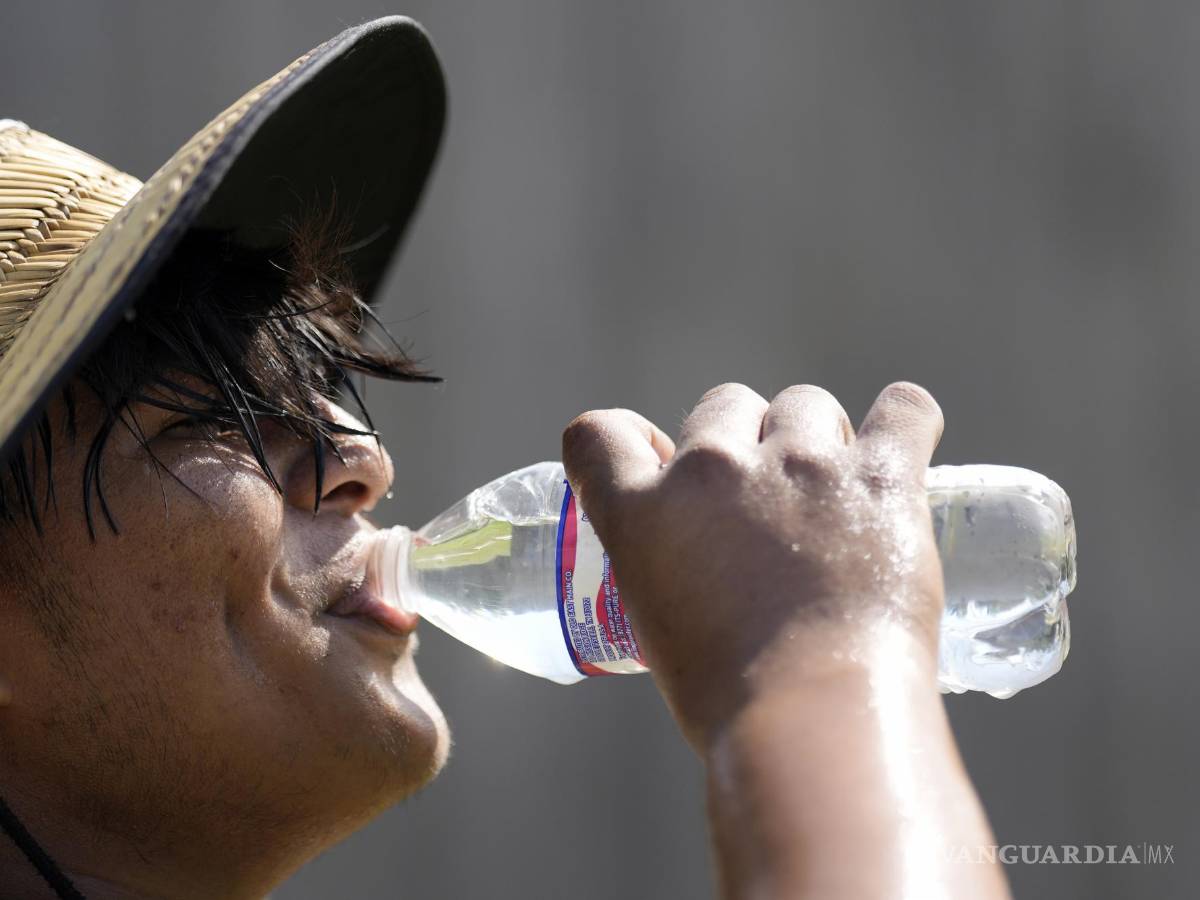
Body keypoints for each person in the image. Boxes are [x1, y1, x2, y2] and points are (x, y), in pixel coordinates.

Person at [0, 17, 1008, 900]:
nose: (361, 458)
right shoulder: (828, 663)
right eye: (217, 415)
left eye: (317, 393)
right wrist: (825, 662)